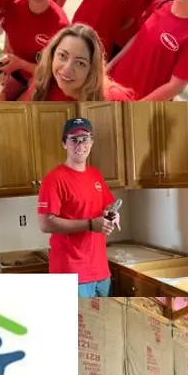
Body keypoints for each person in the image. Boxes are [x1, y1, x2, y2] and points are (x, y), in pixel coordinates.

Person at [37, 117, 120, 297]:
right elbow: (45, 223)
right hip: (71, 272)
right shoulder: (54, 179)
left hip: (101, 271)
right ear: (64, 144)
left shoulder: (95, 175)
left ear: (92, 142)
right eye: (74, 139)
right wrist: (90, 224)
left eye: (85, 138)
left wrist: (112, 215)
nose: (80, 144)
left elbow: (103, 209)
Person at [0, 0, 69, 101]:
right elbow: (8, 47)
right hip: (16, 72)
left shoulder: (61, 25)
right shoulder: (14, 8)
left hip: (43, 79)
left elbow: (54, 71)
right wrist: (3, 78)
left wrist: (21, 64)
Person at [20, 24, 134, 101]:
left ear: (91, 70)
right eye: (63, 56)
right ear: (52, 55)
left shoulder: (114, 100)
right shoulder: (43, 84)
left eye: (80, 63)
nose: (68, 68)